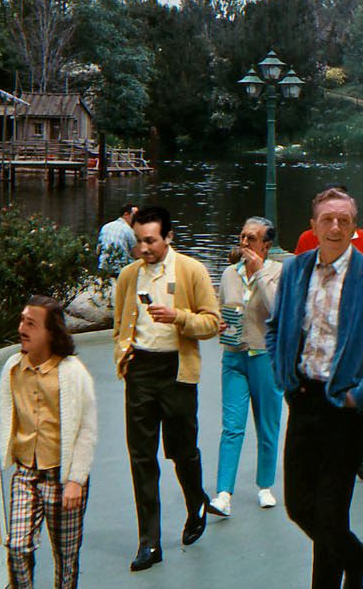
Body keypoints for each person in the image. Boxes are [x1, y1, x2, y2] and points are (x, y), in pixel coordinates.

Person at [266, 187, 363, 589]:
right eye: (327, 219)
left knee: (330, 514)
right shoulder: (294, 270)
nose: (335, 227)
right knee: (298, 506)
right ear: (313, 226)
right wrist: (284, 376)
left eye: (344, 220)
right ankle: (357, 557)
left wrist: (359, 395)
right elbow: (275, 328)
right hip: (303, 401)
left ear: (354, 228)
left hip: (345, 408)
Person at [112, 205, 221, 571]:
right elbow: (119, 324)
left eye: (150, 241)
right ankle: (150, 542)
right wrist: (123, 355)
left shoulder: (191, 270)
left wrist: (179, 317)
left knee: (182, 451)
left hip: (177, 371)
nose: (143, 248)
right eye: (138, 240)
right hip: (140, 370)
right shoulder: (129, 276)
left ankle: (196, 503)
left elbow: (212, 322)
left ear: (168, 237)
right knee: (142, 457)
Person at [0, 296, 98, 589]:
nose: (22, 328)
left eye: (31, 324)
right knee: (17, 548)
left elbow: (87, 430)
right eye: (22, 321)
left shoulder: (73, 372)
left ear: (51, 332)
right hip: (26, 475)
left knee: (66, 559)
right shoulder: (12, 368)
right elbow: (6, 422)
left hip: (63, 477)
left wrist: (76, 480)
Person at [210, 217, 284, 517]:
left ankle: (265, 485)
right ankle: (223, 493)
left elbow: (277, 310)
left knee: (267, 426)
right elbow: (220, 307)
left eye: (251, 238)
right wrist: (219, 322)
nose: (243, 243)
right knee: (232, 426)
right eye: (242, 236)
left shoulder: (278, 272)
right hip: (234, 356)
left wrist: (259, 273)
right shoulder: (229, 273)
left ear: (266, 245)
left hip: (264, 357)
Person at [98, 202, 138, 280]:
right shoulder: (128, 230)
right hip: (121, 271)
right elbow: (136, 254)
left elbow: (98, 249)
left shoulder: (105, 227)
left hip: (103, 268)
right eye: (135, 215)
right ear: (126, 214)